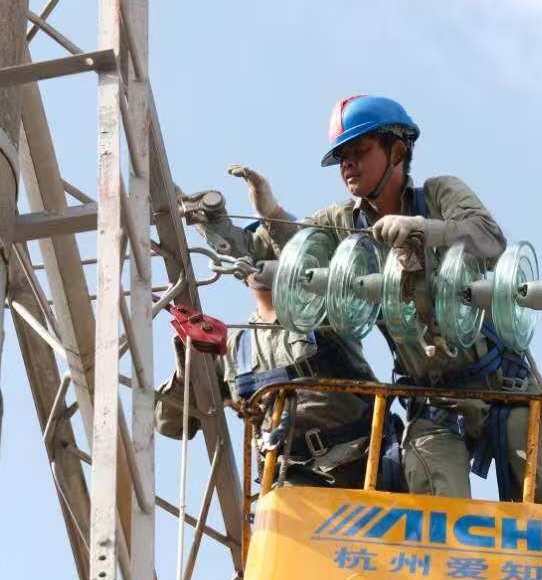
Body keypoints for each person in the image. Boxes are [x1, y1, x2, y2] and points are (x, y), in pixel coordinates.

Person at [239, 95, 542, 504]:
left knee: (538, 481)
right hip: (431, 400)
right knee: (433, 498)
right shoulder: (343, 224)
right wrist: (269, 212)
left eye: (359, 151)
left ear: (397, 152)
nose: (348, 165)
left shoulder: (439, 195)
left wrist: (422, 229)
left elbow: (489, 239)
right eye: (342, 157)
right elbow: (299, 254)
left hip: (500, 384)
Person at [158, 192, 400, 490]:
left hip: (361, 466)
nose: (263, 261)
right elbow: (170, 423)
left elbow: (293, 244)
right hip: (290, 481)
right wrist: (186, 376)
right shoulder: (235, 348)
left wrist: (271, 214)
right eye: (255, 251)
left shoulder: (325, 315)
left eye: (272, 252)